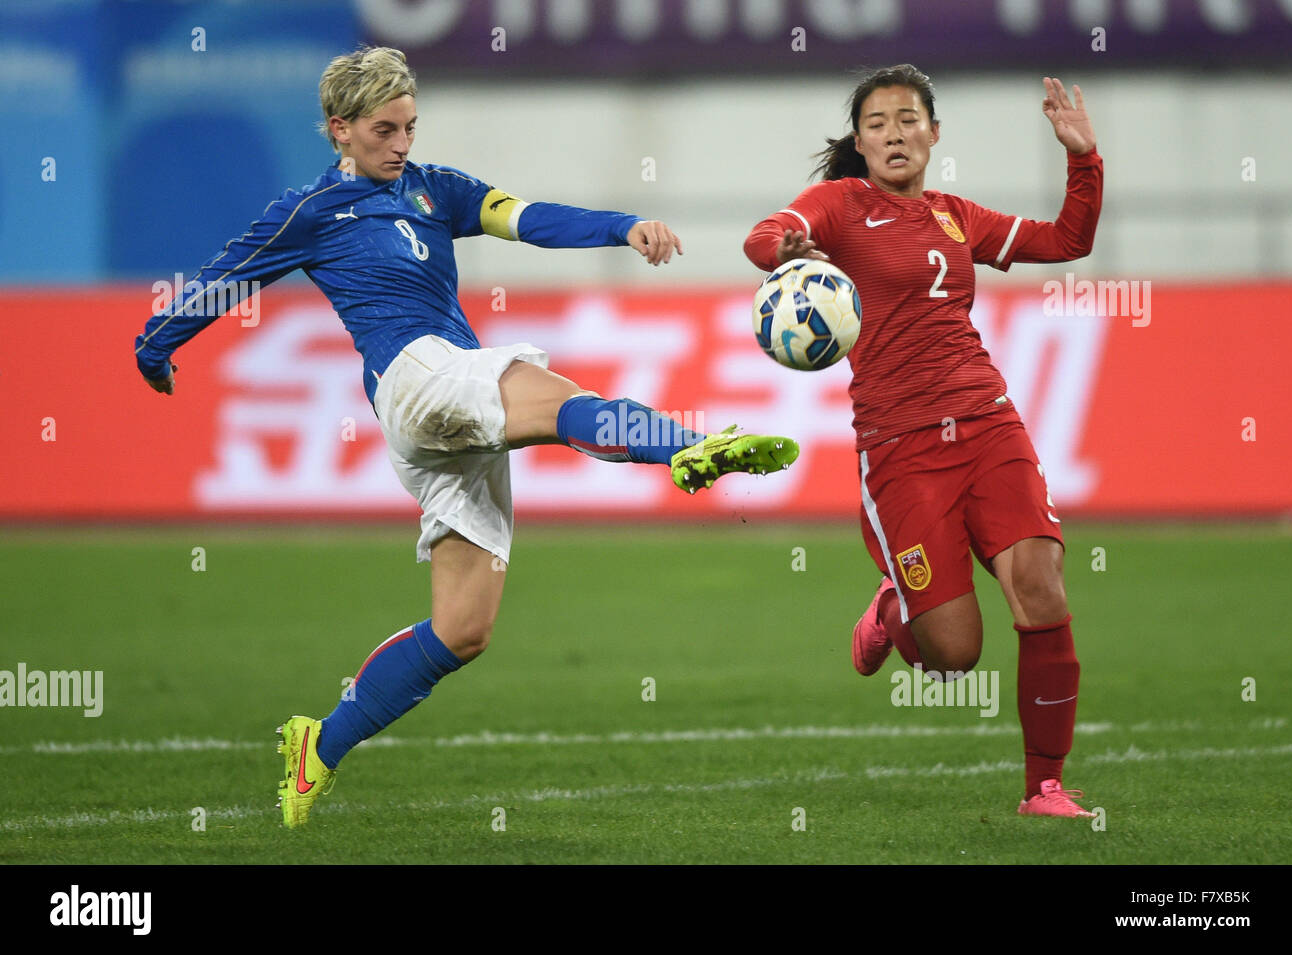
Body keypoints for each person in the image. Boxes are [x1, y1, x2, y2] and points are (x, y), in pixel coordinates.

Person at [134, 46, 798, 828]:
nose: (402, 143)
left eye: (411, 126)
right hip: (414, 377)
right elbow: (232, 272)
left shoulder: (434, 189)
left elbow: (528, 219)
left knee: (462, 628)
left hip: (438, 414)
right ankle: (681, 445)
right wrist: (157, 341)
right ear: (340, 130)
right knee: (558, 402)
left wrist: (624, 227)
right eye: (384, 129)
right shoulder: (309, 211)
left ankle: (319, 745)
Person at [744, 65, 1103, 818]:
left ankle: (1045, 787)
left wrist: (1081, 158)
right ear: (860, 142)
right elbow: (764, 236)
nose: (895, 133)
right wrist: (795, 252)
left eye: (909, 119)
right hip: (901, 446)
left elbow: (1068, 240)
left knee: (1041, 585)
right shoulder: (840, 205)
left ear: (934, 133)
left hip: (988, 421)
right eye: (877, 123)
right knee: (954, 655)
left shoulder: (955, 215)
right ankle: (891, 612)